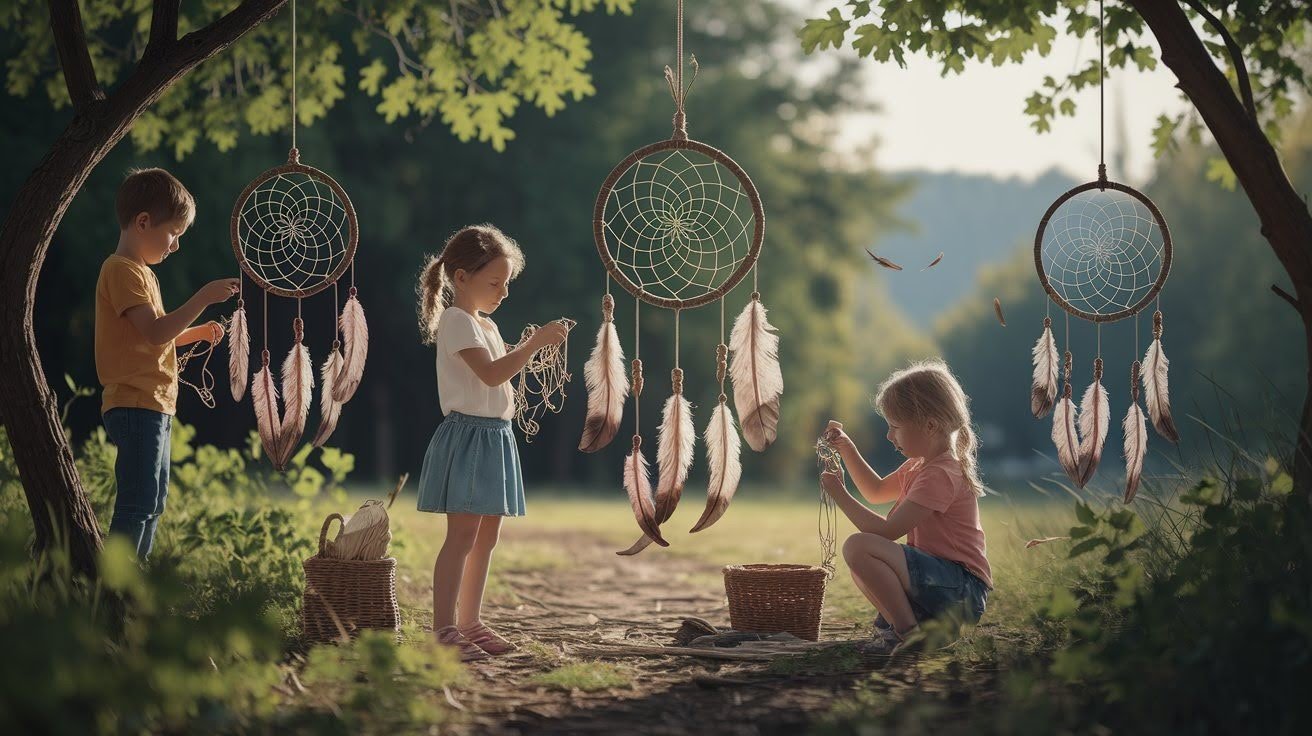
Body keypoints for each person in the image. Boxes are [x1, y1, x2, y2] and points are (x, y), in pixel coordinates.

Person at [414, 223, 569, 661]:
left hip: (496, 436)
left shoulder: (487, 324)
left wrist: (528, 350)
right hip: (468, 437)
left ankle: (470, 622)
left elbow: (499, 377)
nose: (503, 292)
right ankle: (443, 629)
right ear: (461, 278)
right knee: (462, 535)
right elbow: (493, 374)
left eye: (506, 283)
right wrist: (535, 344)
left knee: (487, 535)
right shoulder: (456, 321)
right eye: (494, 282)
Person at [95, 167, 239, 559]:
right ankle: (115, 592)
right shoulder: (121, 270)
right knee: (138, 502)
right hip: (135, 403)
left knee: (154, 501)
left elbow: (156, 334)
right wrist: (203, 298)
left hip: (156, 405)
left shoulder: (143, 275)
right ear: (143, 222)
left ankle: (132, 587)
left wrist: (198, 332)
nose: (175, 245)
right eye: (173, 233)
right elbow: (156, 332)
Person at [821, 359, 993, 655]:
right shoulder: (919, 466)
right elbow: (875, 491)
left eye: (895, 427)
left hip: (961, 590)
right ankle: (916, 631)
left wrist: (840, 494)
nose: (889, 436)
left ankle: (907, 633)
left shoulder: (941, 473)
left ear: (929, 425)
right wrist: (847, 448)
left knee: (859, 547)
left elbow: (887, 532)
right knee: (863, 565)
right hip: (941, 584)